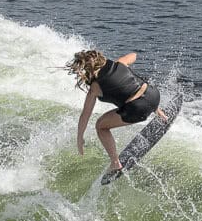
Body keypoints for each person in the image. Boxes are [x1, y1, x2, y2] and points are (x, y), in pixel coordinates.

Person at [67, 48, 170, 177]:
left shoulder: (94, 88)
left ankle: (115, 163)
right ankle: (160, 113)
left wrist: (79, 138)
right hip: (154, 95)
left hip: (137, 110)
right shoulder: (119, 63)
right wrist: (123, 64)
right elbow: (134, 55)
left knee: (100, 126)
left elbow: (85, 115)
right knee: (134, 84)